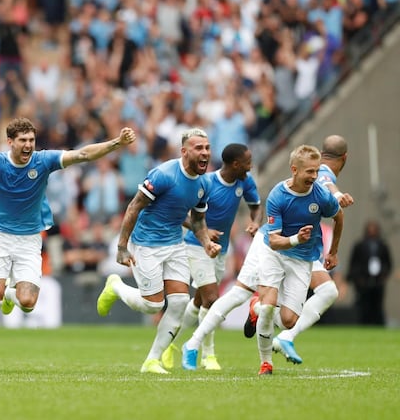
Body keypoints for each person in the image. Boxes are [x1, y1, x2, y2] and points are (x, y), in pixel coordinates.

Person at [0, 117, 136, 373]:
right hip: (0, 236)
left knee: (28, 302)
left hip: (30, 240)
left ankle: (10, 296)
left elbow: (82, 155)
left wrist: (116, 143)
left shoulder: (42, 160)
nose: (28, 145)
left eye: (31, 141)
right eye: (22, 140)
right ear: (10, 142)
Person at [96, 127, 221, 375]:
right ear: (184, 152)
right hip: (146, 244)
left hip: (175, 244)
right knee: (154, 305)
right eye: (199, 148)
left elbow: (196, 220)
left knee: (179, 302)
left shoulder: (204, 183)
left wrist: (206, 241)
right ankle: (116, 286)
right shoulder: (164, 174)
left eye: (207, 148)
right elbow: (134, 206)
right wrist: (122, 246)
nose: (205, 153)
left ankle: (151, 361)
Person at [160, 143, 262, 371]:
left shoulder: (245, 181)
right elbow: (183, 214)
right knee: (212, 298)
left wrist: (255, 222)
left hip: (220, 250)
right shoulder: (206, 183)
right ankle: (207, 355)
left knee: (199, 302)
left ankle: (170, 344)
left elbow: (256, 205)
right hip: (196, 246)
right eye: (247, 162)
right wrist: (203, 231)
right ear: (235, 164)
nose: (251, 166)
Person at [253, 144, 343, 375]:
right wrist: (295, 239)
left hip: (302, 259)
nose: (314, 177)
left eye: (316, 171)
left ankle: (257, 306)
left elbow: (339, 217)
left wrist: (333, 251)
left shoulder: (321, 195)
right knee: (267, 308)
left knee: (288, 321)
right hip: (275, 252)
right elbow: (273, 241)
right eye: (309, 172)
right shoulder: (277, 195)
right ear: (294, 169)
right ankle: (266, 363)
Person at [347, 220, 393, 325]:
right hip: (363, 280)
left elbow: (388, 263)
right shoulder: (359, 245)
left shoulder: (382, 246)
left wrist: (383, 276)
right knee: (363, 304)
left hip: (378, 280)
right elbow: (354, 263)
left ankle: (378, 323)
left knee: (377, 304)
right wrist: (357, 279)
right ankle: (363, 323)